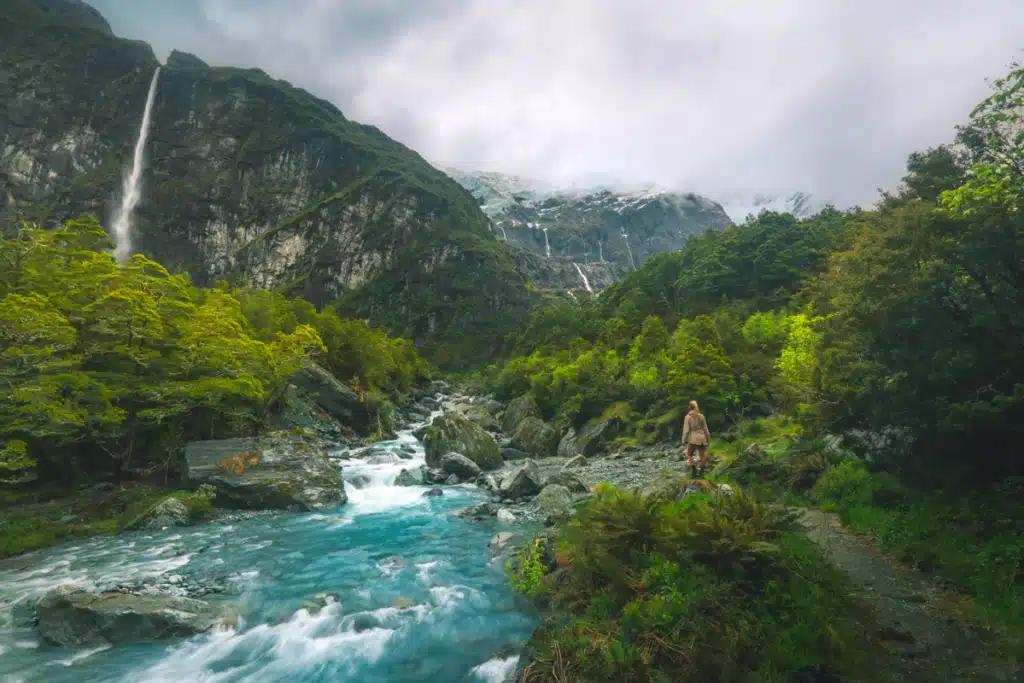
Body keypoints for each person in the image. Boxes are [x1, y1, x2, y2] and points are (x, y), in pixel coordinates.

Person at [681, 400, 711, 477]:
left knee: (689, 454)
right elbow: (705, 429)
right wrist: (708, 438)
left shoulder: (688, 417)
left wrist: (684, 440)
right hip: (702, 437)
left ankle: (694, 470)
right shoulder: (701, 416)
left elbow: (686, 430)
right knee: (702, 455)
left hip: (694, 438)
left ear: (690, 407)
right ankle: (701, 471)